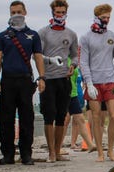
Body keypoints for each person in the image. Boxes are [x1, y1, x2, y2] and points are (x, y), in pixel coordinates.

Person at [0, 0, 45, 165]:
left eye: (19, 12)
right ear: (10, 14)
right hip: (7, 80)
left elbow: (38, 58)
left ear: (25, 12)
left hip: (25, 80)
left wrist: (42, 77)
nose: (16, 15)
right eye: (13, 12)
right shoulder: (2, 36)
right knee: (5, 119)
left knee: (26, 118)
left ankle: (26, 154)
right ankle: (8, 154)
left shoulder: (33, 35)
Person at [79, 4, 114, 162]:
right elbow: (83, 62)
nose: (106, 20)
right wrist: (88, 83)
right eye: (104, 18)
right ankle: (100, 152)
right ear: (97, 17)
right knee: (96, 117)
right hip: (94, 82)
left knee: (113, 115)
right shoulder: (86, 38)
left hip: (110, 80)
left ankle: (110, 149)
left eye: (108, 18)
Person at [38, 0, 77, 163]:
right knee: (49, 115)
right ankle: (51, 152)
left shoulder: (71, 34)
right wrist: (50, 60)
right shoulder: (43, 32)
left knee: (61, 115)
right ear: (52, 13)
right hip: (48, 79)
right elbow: (37, 55)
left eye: (62, 12)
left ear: (66, 13)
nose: (59, 15)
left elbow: (75, 54)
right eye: (57, 12)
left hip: (64, 79)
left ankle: (58, 150)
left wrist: (73, 65)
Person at [66, 61, 94, 151]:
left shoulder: (79, 68)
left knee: (77, 120)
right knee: (65, 120)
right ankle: (57, 147)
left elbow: (84, 81)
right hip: (68, 94)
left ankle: (76, 143)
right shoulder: (67, 62)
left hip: (78, 95)